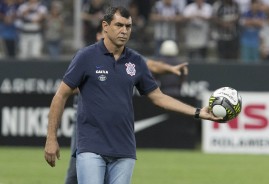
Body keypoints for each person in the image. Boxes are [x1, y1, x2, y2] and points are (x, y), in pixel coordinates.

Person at [44, 6, 221, 184]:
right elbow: (60, 95)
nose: (124, 31)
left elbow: (159, 98)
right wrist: (51, 139)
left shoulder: (136, 61)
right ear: (105, 26)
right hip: (91, 146)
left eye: (128, 26)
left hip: (124, 149)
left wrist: (198, 112)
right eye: (119, 25)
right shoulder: (86, 56)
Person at [64, 19, 189, 184]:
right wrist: (92, 84)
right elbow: (66, 88)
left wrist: (170, 69)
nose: (120, 33)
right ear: (101, 32)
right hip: (87, 124)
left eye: (126, 27)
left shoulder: (126, 56)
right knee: (74, 173)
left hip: (116, 133)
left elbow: (150, 65)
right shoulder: (86, 56)